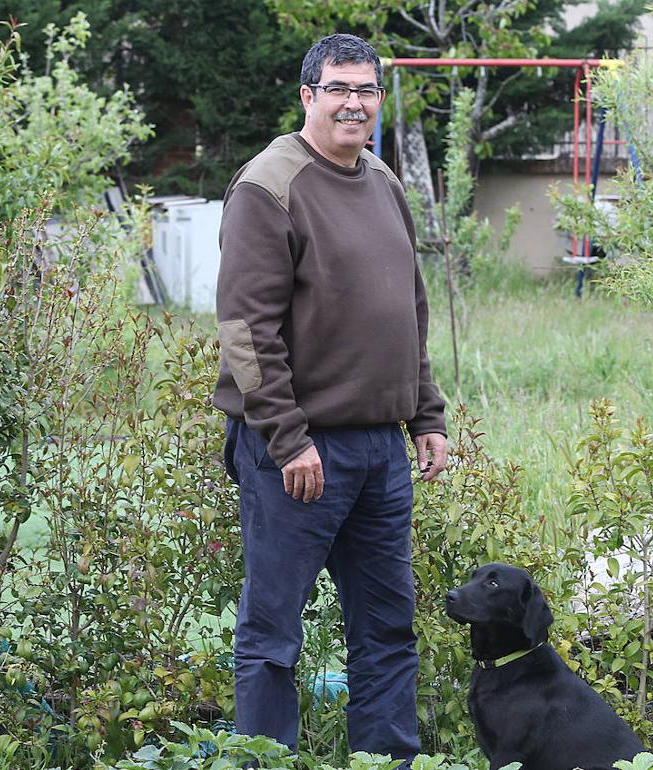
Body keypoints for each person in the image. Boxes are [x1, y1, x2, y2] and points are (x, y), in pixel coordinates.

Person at [213, 33, 447, 762]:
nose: (355, 102)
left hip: (380, 449)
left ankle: (387, 762)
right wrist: (287, 438)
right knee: (273, 636)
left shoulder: (382, 180)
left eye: (367, 89)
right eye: (339, 88)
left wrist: (425, 413)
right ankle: (265, 760)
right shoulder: (268, 186)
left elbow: (407, 309)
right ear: (308, 95)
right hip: (298, 453)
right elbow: (246, 333)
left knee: (386, 631)